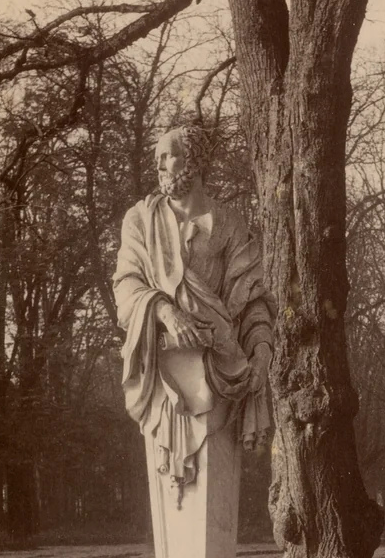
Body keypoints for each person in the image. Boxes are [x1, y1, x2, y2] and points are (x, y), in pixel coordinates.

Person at [113, 125, 274, 494]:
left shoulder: (230, 225)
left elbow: (252, 300)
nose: (160, 164)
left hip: (221, 365)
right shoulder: (141, 220)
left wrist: (263, 350)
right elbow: (126, 285)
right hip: (162, 367)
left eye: (169, 155)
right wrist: (165, 311)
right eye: (158, 158)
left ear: (195, 161)